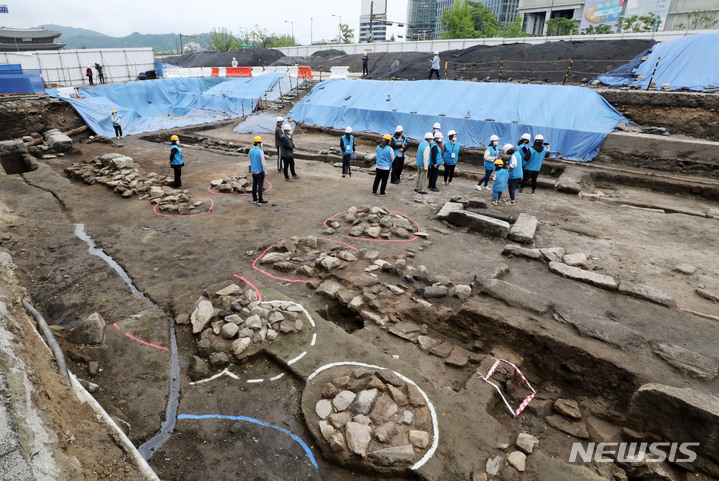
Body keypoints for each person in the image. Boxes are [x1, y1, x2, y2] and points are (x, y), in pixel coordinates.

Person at [249, 136, 268, 205]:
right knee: (260, 186)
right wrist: (265, 171)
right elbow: (263, 162)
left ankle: (254, 199)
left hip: (253, 171)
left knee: (254, 185)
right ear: (258, 143)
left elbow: (251, 160)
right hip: (259, 171)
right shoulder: (260, 151)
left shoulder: (251, 150)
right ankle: (260, 200)